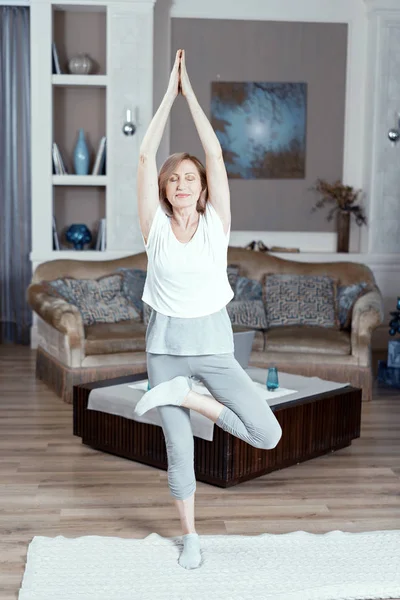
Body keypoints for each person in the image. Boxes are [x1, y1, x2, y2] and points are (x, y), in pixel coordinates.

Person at [134, 49, 282, 570]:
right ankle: (190, 535)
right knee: (179, 451)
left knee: (268, 434)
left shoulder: (217, 226)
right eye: (174, 179)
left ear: (201, 190)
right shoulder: (154, 229)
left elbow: (215, 154)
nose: (181, 183)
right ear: (165, 190)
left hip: (215, 352)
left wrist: (188, 91)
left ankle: (191, 402)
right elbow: (144, 157)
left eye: (189, 179)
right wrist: (164, 99)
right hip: (167, 354)